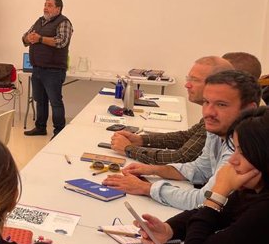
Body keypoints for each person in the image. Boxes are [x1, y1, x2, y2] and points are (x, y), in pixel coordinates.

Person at [137, 107, 269, 244]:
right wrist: (169, 229)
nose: (233, 162)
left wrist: (218, 193)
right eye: (234, 149)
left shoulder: (264, 211)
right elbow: (220, 214)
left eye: (243, 153)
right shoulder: (256, 189)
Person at [104, 70, 260, 210]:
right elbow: (200, 169)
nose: (208, 112)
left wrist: (146, 188)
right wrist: (153, 169)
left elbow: (203, 200)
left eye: (221, 104)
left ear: (249, 109)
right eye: (206, 102)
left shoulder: (244, 150)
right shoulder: (218, 129)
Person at [110, 56, 232, 164]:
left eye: (195, 80)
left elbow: (182, 157)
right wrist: (141, 140)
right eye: (188, 79)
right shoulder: (211, 111)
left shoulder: (218, 118)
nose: (187, 85)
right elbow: (186, 137)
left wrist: (129, 149)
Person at [22, 0, 73, 137]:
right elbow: (25, 37)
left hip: (54, 70)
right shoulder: (40, 21)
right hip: (37, 68)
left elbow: (61, 41)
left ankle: (59, 132)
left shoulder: (64, 22)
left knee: (55, 102)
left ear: (58, 8)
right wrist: (29, 38)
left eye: (49, 5)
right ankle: (40, 127)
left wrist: (40, 39)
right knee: (40, 100)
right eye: (45, 4)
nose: (45, 7)